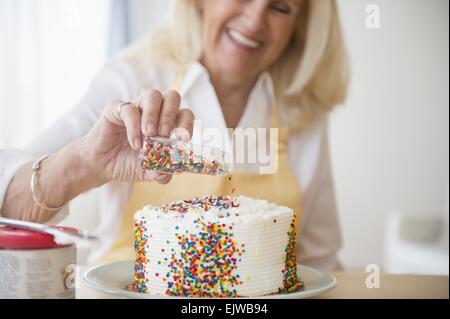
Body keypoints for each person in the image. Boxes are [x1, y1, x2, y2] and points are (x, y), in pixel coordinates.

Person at [0, 0, 349, 270]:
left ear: (299, 29)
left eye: (280, 7)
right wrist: (85, 163)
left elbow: (319, 262)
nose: (255, 19)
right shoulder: (130, 79)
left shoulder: (303, 113)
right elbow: (8, 205)